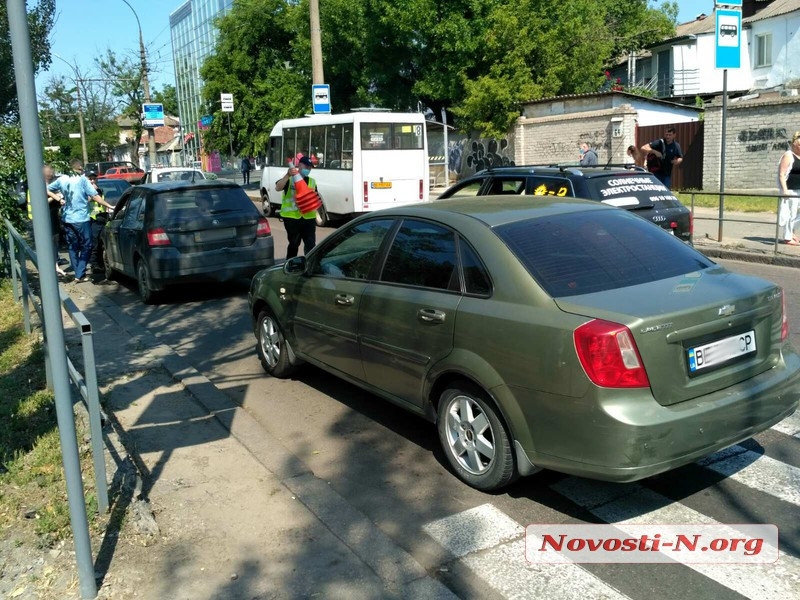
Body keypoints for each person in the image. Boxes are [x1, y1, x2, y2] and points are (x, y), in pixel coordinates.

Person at [48, 159, 114, 283]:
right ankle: (79, 273)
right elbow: (94, 196)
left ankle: (79, 273)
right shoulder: (83, 180)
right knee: (87, 245)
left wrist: (57, 198)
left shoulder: (62, 179)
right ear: (80, 169)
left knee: (73, 246)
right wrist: (109, 206)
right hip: (81, 219)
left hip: (67, 218)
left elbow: (46, 189)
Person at [275, 155, 318, 259]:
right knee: (294, 244)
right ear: (299, 165)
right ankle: (290, 264)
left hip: (308, 218)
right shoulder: (290, 179)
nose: (308, 169)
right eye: (306, 166)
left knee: (311, 245)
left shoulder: (312, 181)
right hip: (292, 218)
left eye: (310, 167)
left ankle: (310, 264)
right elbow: (278, 187)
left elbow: (314, 198)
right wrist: (287, 175)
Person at [777, 130, 800, 245]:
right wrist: (785, 191)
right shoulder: (788, 155)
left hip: (799, 189)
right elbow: (781, 174)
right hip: (790, 190)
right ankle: (788, 237)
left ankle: (792, 232)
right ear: (794, 144)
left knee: (795, 214)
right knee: (791, 213)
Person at [86, 170, 109, 273]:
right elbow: (86, 201)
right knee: (94, 242)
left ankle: (100, 264)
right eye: (90, 179)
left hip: (102, 218)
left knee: (101, 242)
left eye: (94, 178)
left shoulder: (99, 189)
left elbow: (102, 203)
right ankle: (94, 265)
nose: (92, 181)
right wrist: (91, 193)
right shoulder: (86, 190)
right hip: (93, 219)